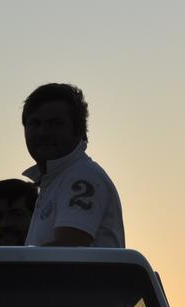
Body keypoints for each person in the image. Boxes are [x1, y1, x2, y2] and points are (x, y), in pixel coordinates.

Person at [20, 83, 125, 248]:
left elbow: (68, 252)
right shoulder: (56, 179)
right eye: (35, 123)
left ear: (79, 130)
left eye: (55, 123)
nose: (43, 132)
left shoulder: (82, 176)